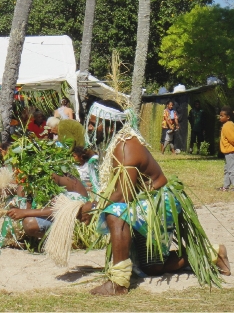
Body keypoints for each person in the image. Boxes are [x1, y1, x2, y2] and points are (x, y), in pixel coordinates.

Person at [77, 100, 230, 296]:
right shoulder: (118, 143)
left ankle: (118, 283)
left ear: (110, 123)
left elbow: (125, 194)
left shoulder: (125, 146)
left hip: (159, 202)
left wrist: (94, 206)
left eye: (93, 123)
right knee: (152, 268)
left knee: (115, 213)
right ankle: (213, 253)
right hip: (143, 202)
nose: (90, 128)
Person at [218, 106, 234, 191]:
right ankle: (225, 186)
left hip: (231, 151)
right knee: (227, 169)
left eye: (222, 116)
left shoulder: (228, 125)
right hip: (227, 152)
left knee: (231, 170)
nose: (220, 117)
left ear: (228, 117)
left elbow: (232, 138)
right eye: (220, 115)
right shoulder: (226, 125)